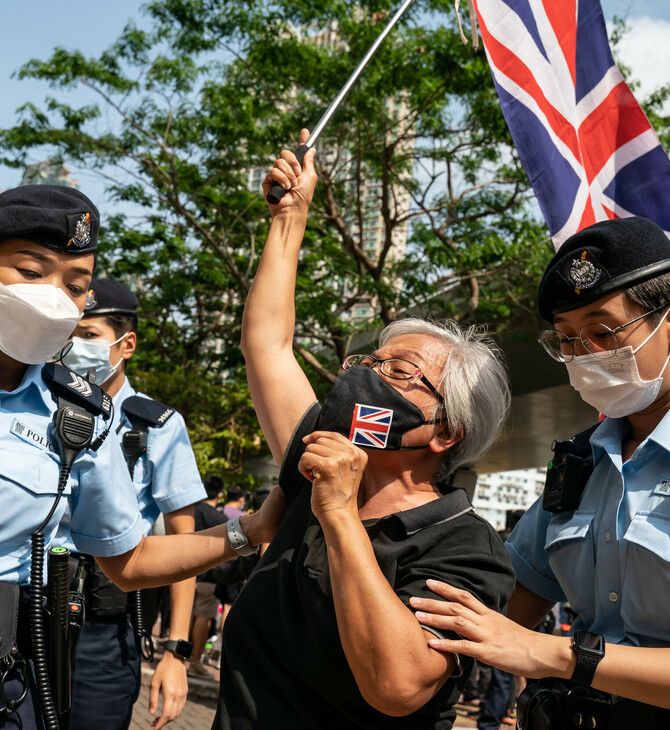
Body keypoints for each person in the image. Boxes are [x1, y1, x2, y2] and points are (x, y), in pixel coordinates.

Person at [212, 129, 516, 729]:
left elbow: (398, 686)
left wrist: (341, 515)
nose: (368, 378)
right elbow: (267, 345)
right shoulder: (318, 458)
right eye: (367, 363)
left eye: (398, 372)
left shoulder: (465, 547)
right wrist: (290, 219)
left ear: (444, 432)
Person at [0, 184, 283, 730]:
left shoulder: (81, 416)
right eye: (32, 273)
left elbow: (129, 560)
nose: (54, 296)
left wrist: (251, 529)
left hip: (19, 674)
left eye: (75, 285)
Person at [410, 217, 670, 727]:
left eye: (602, 331)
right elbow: (499, 606)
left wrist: (556, 655)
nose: (584, 356)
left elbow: (524, 642)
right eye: (567, 339)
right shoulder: (580, 464)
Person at [56, 277, 206, 730]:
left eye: (88, 336)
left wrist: (176, 653)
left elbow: (186, 546)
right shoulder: (40, 403)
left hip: (104, 632)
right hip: (27, 615)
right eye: (68, 336)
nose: (74, 348)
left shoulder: (157, 425)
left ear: (127, 344)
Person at [188, 475, 228, 679]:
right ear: (220, 494)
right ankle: (195, 661)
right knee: (203, 617)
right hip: (207, 577)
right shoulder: (220, 519)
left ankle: (180, 655)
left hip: (184, 571)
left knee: (188, 614)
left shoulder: (190, 510)